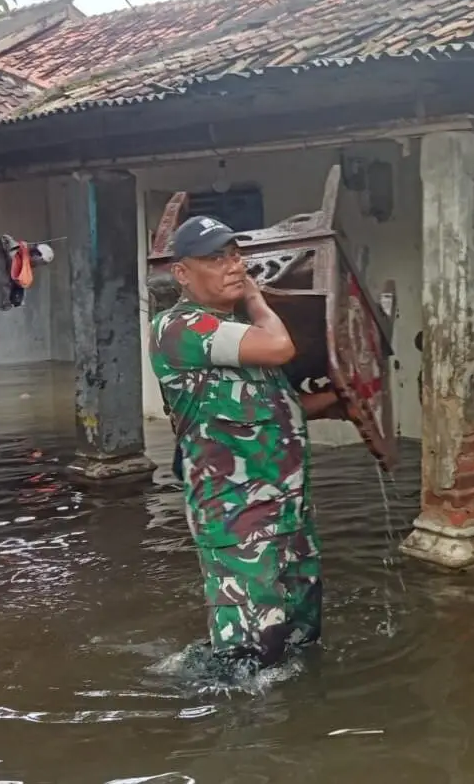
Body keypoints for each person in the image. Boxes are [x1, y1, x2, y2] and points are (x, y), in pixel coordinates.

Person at [150, 215, 345, 671]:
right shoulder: (178, 328)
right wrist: (257, 295)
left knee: (299, 642)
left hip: (289, 513)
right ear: (182, 273)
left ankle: (297, 730)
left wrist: (342, 398)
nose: (232, 265)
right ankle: (235, 735)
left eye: (235, 255)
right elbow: (280, 347)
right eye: (215, 258)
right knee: (249, 659)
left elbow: (282, 405)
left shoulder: (235, 333)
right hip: (237, 518)